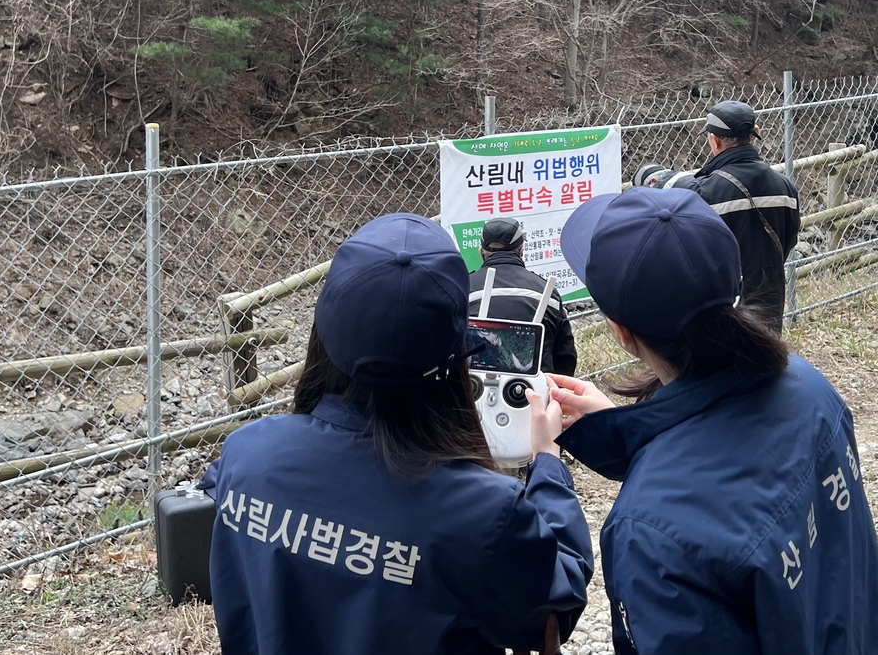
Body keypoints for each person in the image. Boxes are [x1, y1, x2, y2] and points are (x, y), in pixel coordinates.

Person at [202, 213, 593, 655]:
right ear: (454, 361)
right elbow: (557, 599)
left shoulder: (246, 454)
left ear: (322, 333)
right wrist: (547, 461)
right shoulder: (485, 511)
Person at [544, 187, 878, 655]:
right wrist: (624, 434)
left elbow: (698, 505)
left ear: (620, 331)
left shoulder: (648, 533)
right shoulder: (808, 385)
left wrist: (555, 459)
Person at [632, 100, 800, 332]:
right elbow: (790, 239)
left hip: (724, 308)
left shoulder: (704, 191)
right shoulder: (785, 186)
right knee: (767, 360)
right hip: (770, 303)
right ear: (754, 134)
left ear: (715, 139)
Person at [468, 217, 578, 375]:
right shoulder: (547, 291)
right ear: (521, 251)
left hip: (474, 391)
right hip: (537, 391)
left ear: (481, 253)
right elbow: (565, 357)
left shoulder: (463, 289)